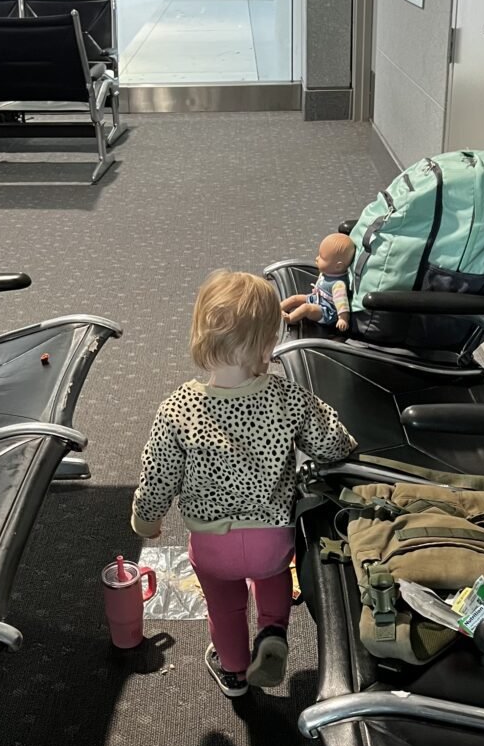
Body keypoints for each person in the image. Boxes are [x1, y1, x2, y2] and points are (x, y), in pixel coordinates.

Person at [131, 270, 357, 697]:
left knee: (225, 605)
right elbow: (331, 442)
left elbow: (158, 474)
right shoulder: (287, 397)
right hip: (272, 538)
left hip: (212, 544)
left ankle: (233, 669)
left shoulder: (178, 408)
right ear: (268, 345)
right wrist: (345, 442)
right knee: (272, 576)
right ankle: (273, 630)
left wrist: (147, 520)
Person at [280, 232, 355, 332]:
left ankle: (290, 319)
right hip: (317, 299)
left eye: (322, 258)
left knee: (306, 308)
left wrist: (343, 319)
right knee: (295, 299)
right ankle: (277, 308)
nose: (317, 258)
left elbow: (342, 303)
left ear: (338, 266)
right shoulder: (329, 271)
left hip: (326, 311)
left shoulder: (338, 285)